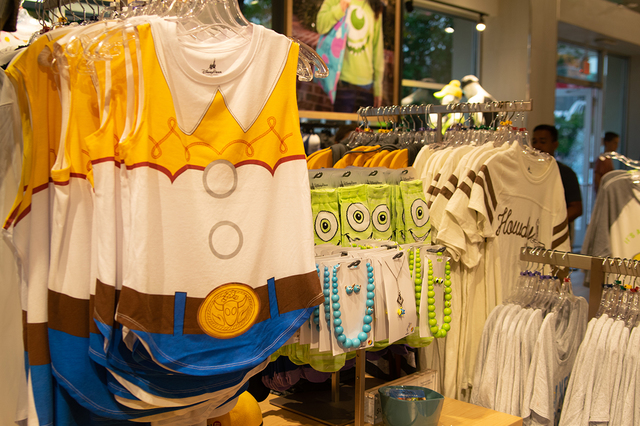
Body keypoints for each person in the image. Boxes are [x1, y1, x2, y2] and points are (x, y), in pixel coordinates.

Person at [317, 0, 385, 113]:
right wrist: (340, 8)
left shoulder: (374, 5)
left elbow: (377, 49)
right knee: (342, 124)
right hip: (343, 82)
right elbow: (320, 26)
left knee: (365, 125)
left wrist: (378, 87)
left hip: (367, 86)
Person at [531, 125, 583, 236]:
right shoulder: (528, 170)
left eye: (543, 142)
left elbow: (576, 208)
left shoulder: (565, 173)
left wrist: (551, 225)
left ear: (555, 144)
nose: (537, 146)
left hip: (555, 234)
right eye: (534, 142)